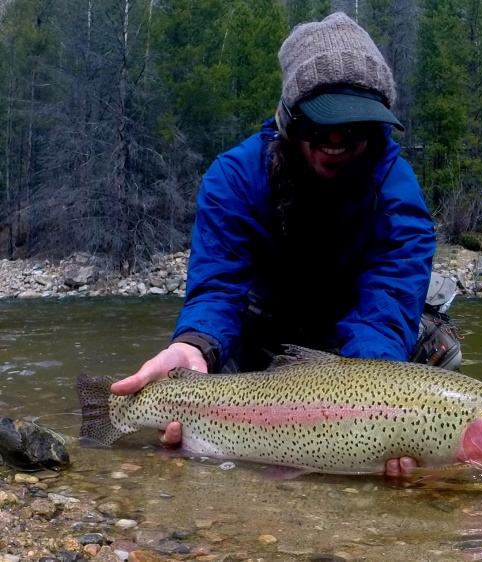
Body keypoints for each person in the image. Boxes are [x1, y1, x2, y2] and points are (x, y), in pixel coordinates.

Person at [111, 12, 436, 478]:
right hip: (263, 330)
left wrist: (374, 415)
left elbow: (387, 302)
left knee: (439, 356)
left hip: (351, 335)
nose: (338, 140)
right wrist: (193, 348)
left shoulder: (398, 195)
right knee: (202, 407)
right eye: (323, 124)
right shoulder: (234, 178)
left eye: (356, 125)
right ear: (290, 120)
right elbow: (218, 290)